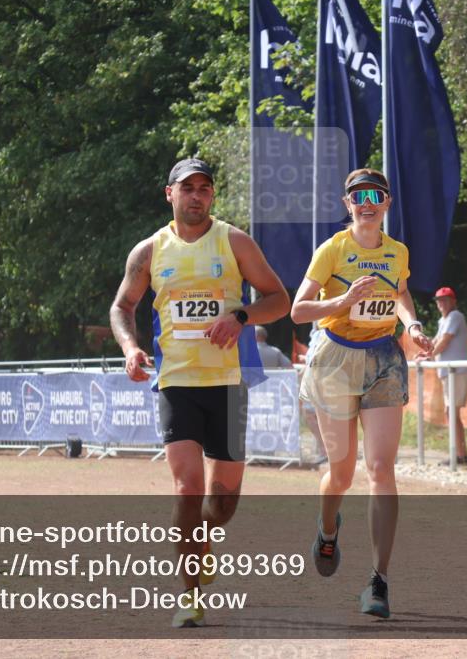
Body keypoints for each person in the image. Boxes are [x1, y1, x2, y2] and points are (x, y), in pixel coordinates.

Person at [109, 158, 289, 628]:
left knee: (222, 504)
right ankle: (189, 596)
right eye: (186, 187)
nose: (196, 195)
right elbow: (123, 305)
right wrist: (130, 348)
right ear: (169, 194)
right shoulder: (149, 251)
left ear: (212, 196)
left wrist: (241, 317)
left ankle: (202, 539)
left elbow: (279, 299)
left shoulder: (234, 241)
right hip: (176, 383)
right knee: (187, 488)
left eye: (204, 188)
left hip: (228, 385)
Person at [291, 168, 432, 619]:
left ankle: (378, 580)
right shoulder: (332, 249)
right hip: (335, 359)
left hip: (384, 359)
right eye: (358, 196)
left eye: (375, 194)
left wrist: (412, 324)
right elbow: (298, 310)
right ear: (347, 204)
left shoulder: (397, 252)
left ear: (387, 202)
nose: (367, 202)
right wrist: (342, 302)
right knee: (342, 473)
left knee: (381, 470)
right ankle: (328, 528)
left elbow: (402, 292)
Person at [427, 287, 467, 466]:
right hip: (450, 373)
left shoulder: (455, 316)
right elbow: (437, 341)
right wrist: (425, 352)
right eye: (439, 300)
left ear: (453, 301)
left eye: (445, 299)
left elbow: (444, 341)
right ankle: (461, 454)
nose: (441, 303)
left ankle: (460, 454)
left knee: (451, 412)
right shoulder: (443, 320)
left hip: (457, 372)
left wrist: (428, 355)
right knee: (451, 412)